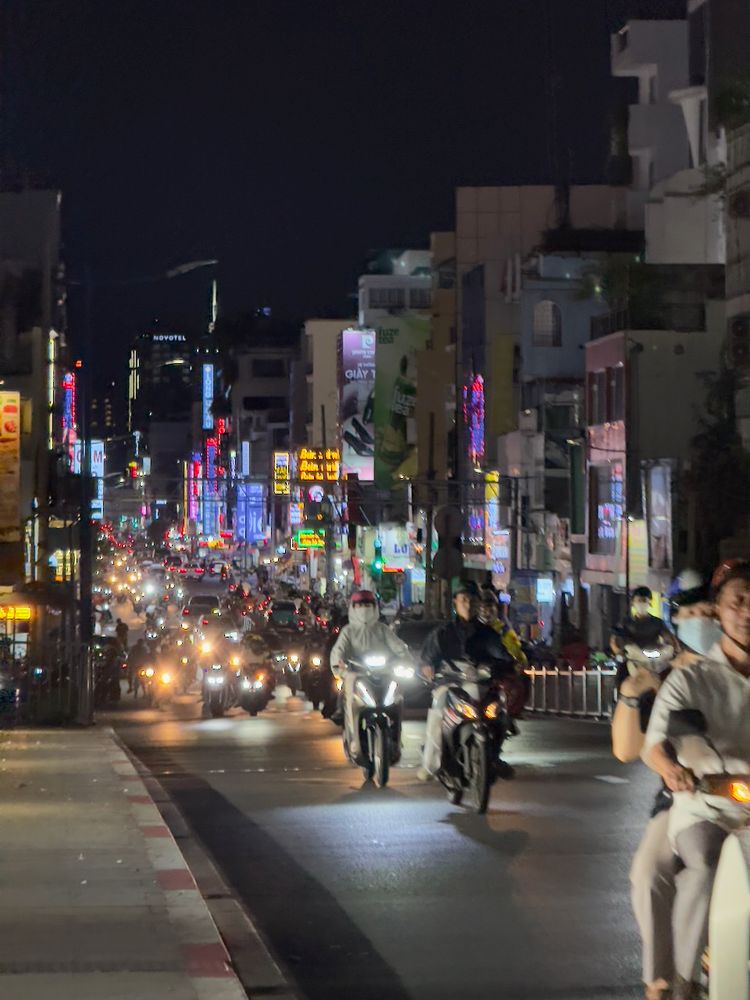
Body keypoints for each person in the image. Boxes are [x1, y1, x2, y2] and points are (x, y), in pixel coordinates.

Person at [642, 560, 750, 999]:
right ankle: (682, 980)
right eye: (737, 602)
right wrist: (672, 769)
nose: (746, 612)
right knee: (701, 864)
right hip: (705, 805)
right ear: (719, 611)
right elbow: (654, 744)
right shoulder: (691, 678)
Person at [612, 573, 718, 1000]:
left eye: (709, 612)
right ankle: (662, 982)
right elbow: (629, 749)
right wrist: (631, 696)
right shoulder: (669, 679)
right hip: (685, 801)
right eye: (691, 614)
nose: (702, 621)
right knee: (649, 873)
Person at [418, 580, 516, 780]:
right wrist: (430, 669)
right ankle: (431, 763)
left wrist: (509, 665)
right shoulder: (443, 633)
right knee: (438, 709)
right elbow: (428, 658)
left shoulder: (488, 634)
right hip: (450, 684)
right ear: (455, 602)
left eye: (472, 600)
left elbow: (501, 654)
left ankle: (494, 757)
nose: (468, 604)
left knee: (500, 713)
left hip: (480, 685)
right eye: (464, 600)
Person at [329, 590, 411, 729]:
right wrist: (339, 664)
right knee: (346, 688)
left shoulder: (382, 629)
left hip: (383, 673)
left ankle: (396, 734)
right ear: (353, 607)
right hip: (357, 672)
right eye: (360, 605)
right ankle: (348, 724)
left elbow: (398, 647)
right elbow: (338, 651)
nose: (364, 608)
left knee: (398, 695)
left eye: (368, 604)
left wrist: (407, 661)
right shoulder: (348, 631)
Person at [611, 587, 679, 669]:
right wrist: (619, 653)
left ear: (649, 602)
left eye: (644, 600)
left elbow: (669, 639)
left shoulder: (657, 622)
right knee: (622, 675)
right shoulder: (626, 623)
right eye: (639, 600)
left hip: (655, 658)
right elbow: (614, 641)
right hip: (633, 658)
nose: (642, 603)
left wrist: (673, 649)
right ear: (633, 602)